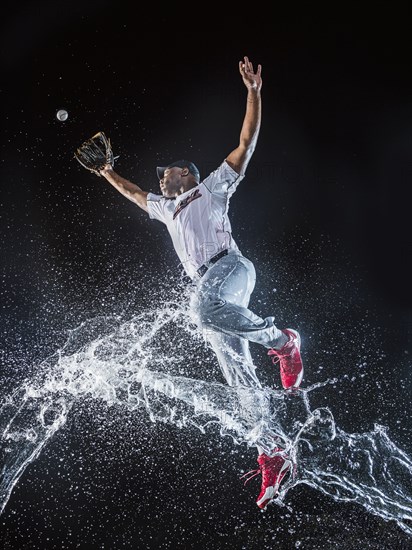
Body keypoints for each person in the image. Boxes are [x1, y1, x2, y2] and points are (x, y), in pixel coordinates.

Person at [96, 56, 304, 509]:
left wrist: (254, 92)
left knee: (200, 311)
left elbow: (246, 142)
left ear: (185, 174)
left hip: (231, 268)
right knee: (239, 376)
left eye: (165, 173)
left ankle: (283, 341)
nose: (159, 179)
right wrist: (106, 171)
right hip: (214, 289)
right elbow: (133, 192)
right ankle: (274, 451)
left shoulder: (210, 187)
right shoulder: (165, 208)